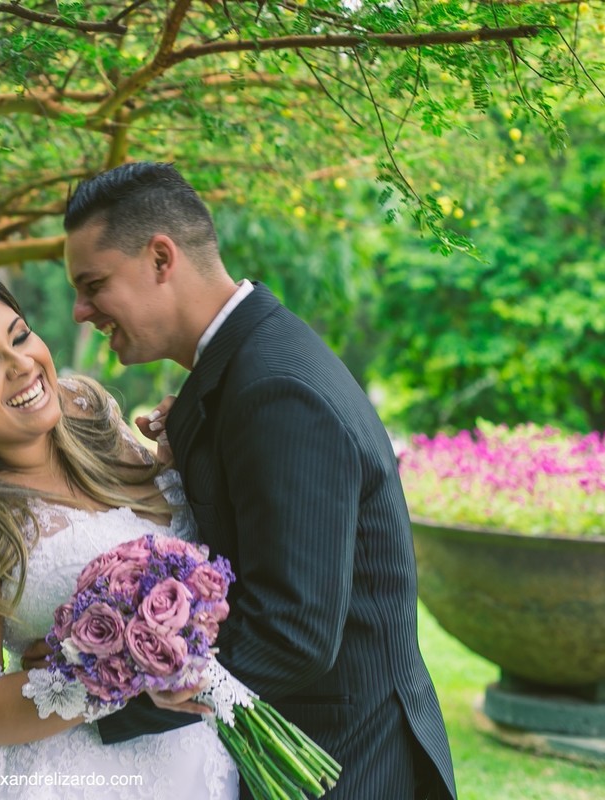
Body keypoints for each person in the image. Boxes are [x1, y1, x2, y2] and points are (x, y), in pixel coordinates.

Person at [62, 161, 458, 800]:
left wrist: (100, 702)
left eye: (94, 284)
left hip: (340, 761)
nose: (82, 311)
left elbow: (292, 633)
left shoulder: (274, 389)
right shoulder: (246, 363)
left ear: (161, 257)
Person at [0, 266, 239, 799]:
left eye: (19, 336)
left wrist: (189, 454)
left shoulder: (94, 421)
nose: (22, 365)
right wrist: (108, 671)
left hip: (203, 758)